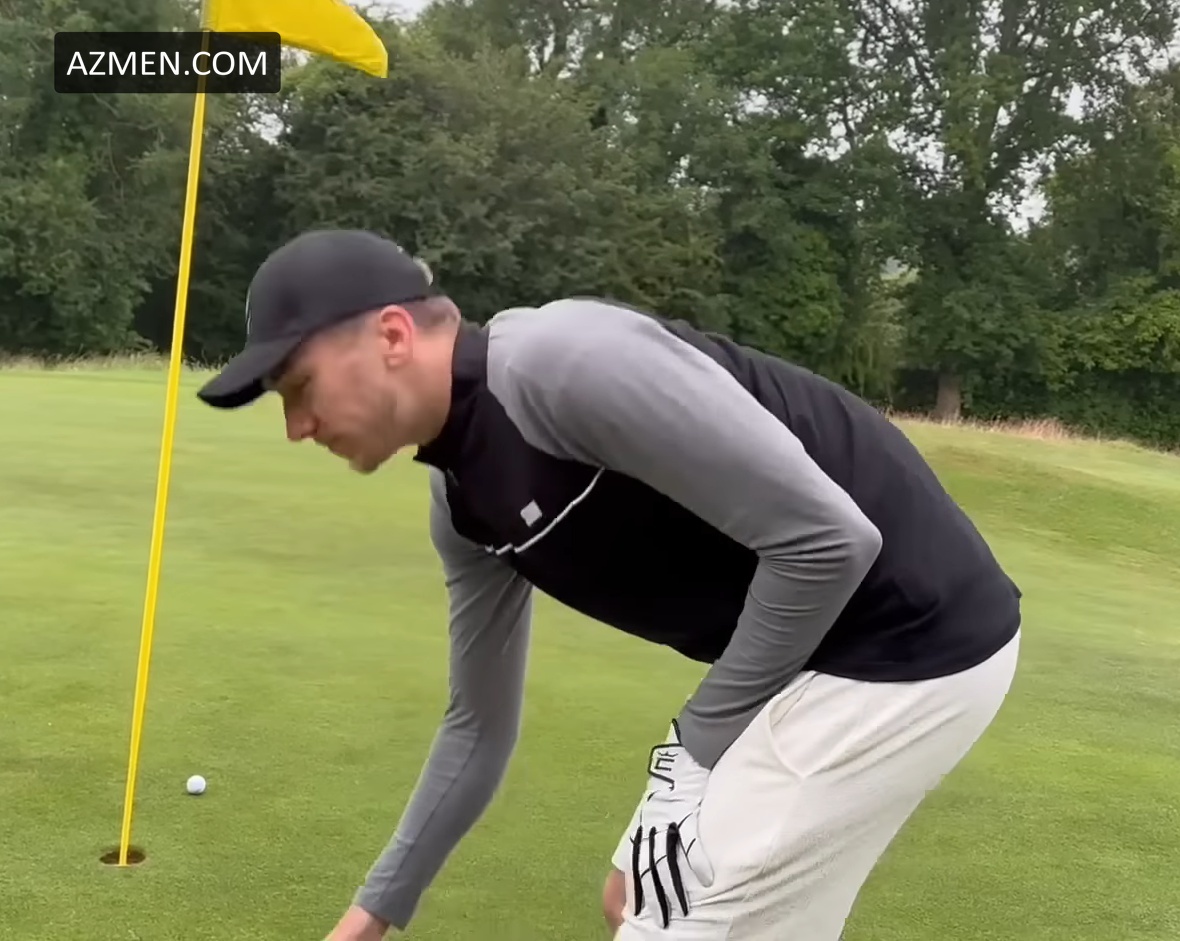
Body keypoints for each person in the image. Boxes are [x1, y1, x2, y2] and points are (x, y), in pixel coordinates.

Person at [197, 228, 1023, 941]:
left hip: (908, 641)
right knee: (634, 898)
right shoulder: (464, 507)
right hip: (818, 656)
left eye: (299, 387)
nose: (297, 426)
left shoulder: (563, 364)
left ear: (390, 335)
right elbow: (478, 727)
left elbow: (831, 542)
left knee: (672, 915)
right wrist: (370, 915)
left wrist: (690, 758)